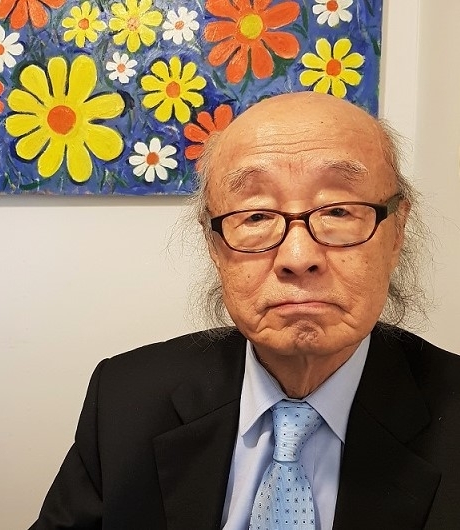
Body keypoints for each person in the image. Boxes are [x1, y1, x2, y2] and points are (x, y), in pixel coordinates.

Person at [28, 92, 460, 529]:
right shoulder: (125, 399)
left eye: (338, 210)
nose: (297, 256)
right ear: (214, 245)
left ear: (397, 230)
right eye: (255, 217)